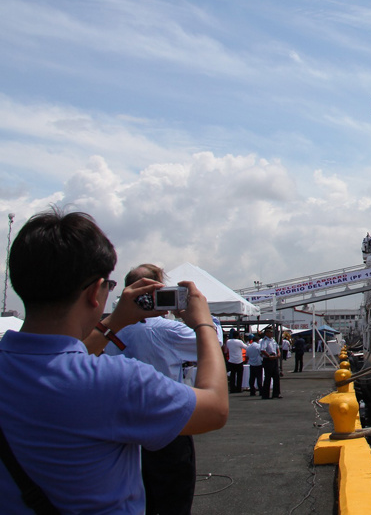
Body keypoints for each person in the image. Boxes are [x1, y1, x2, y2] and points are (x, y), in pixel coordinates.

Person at [0, 208, 228, 513]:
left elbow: (59, 358)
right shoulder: (118, 381)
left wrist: (117, 321)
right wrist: (204, 324)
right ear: (96, 291)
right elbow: (215, 409)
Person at [104, 263, 222, 515]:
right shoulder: (167, 330)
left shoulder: (109, 331)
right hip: (167, 424)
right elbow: (213, 342)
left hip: (122, 430)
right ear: (159, 290)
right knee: (172, 503)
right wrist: (203, 318)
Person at [260, 327, 281, 399]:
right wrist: (269, 356)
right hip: (268, 359)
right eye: (270, 332)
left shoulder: (273, 340)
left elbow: (277, 347)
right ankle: (265, 395)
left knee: (276, 376)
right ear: (266, 333)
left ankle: (276, 394)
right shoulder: (264, 340)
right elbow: (263, 350)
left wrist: (278, 353)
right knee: (268, 377)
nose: (272, 333)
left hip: (274, 358)